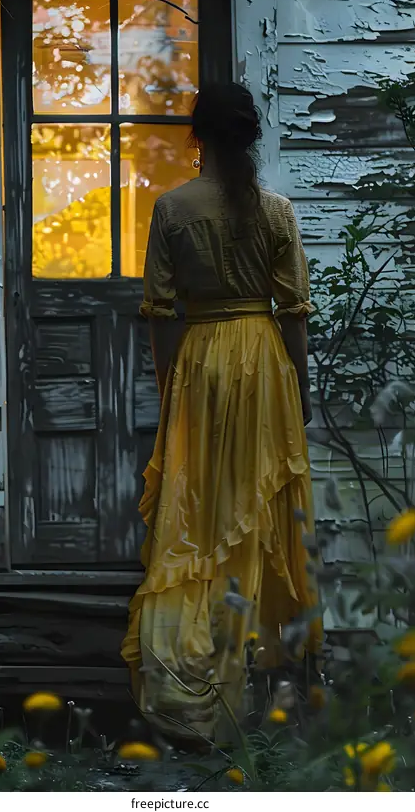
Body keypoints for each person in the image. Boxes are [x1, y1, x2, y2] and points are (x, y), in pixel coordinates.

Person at [121, 82, 322, 743]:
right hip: (262, 364)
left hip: (202, 362)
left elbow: (159, 312)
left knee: (199, 513)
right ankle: (259, 679)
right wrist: (298, 382)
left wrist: (169, 383)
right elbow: (291, 316)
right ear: (252, 137)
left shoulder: (172, 208)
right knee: (253, 511)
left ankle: (192, 678)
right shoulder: (277, 212)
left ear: (196, 135)